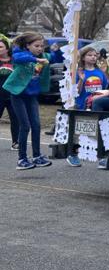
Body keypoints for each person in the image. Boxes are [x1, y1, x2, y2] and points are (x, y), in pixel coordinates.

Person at [3, 32, 52, 170]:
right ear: (27, 46)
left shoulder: (41, 57)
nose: (40, 48)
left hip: (31, 96)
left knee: (36, 125)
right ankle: (22, 159)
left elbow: (54, 57)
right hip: (18, 95)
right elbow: (18, 58)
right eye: (36, 46)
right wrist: (35, 60)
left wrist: (56, 51)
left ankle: (36, 156)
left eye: (42, 46)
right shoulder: (20, 55)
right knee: (25, 126)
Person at [0, 35, 19, 150]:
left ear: (7, 49)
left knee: (15, 119)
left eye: (1, 47)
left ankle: (15, 142)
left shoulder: (15, 61)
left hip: (13, 95)